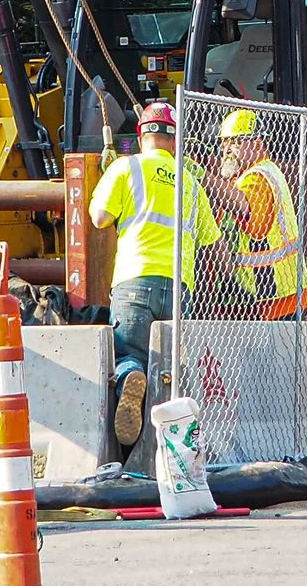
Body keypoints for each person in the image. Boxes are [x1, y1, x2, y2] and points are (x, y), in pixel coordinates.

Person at [89, 100, 220, 451]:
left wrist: (107, 177)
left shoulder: (125, 168)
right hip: (178, 286)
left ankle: (132, 374)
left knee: (131, 353)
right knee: (171, 369)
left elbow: (99, 218)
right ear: (175, 141)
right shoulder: (190, 181)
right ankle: (171, 446)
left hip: (134, 279)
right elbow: (210, 238)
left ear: (140, 134)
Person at [219, 109, 307, 321]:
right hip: (279, 292)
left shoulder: (255, 178)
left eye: (236, 141)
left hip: (270, 295)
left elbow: (255, 228)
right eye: (224, 142)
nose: (227, 150)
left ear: (258, 143)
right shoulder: (265, 170)